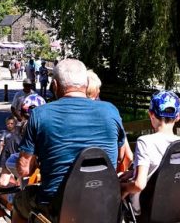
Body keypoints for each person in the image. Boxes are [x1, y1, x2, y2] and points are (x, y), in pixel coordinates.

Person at [12, 58, 127, 223]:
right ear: (86, 85)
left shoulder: (40, 115)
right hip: (104, 203)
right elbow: (122, 157)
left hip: (56, 208)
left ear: (55, 86)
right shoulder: (111, 111)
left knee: (19, 200)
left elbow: (23, 170)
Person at [120, 90, 180, 215]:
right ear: (178, 116)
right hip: (172, 205)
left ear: (151, 114)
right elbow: (165, 169)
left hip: (147, 207)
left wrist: (122, 188)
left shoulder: (145, 142)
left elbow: (139, 185)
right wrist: (133, 172)